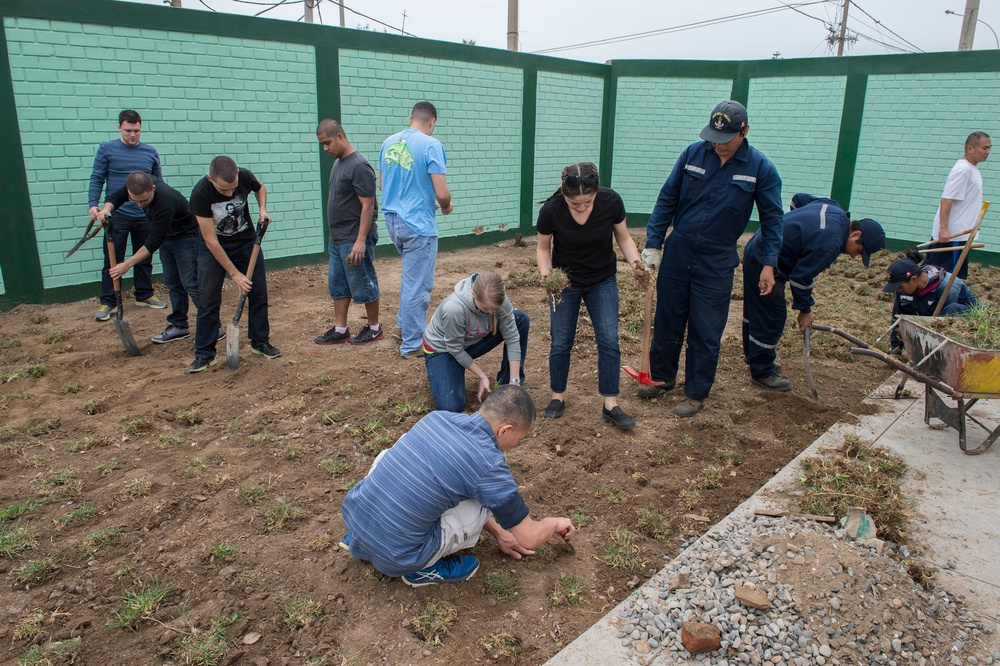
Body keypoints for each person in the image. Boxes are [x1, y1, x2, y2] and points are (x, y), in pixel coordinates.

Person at [340, 385, 574, 586]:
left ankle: (362, 535)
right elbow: (529, 537)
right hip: (398, 556)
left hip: (355, 517)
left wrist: (498, 532)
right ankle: (421, 568)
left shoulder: (437, 418)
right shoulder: (489, 464)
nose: (517, 444)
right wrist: (554, 523)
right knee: (488, 495)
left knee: (393, 457)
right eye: (520, 439)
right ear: (505, 430)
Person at [639, 100, 783, 417]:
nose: (718, 145)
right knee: (668, 318)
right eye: (714, 137)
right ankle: (662, 377)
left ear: (744, 131)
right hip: (678, 251)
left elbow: (773, 219)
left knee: (706, 330)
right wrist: (653, 243)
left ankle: (695, 393)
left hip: (716, 260)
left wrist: (769, 264)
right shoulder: (693, 153)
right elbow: (667, 198)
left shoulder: (760, 168)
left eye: (727, 138)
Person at [536, 162, 643, 431]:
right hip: (566, 284)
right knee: (561, 341)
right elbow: (543, 249)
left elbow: (624, 238)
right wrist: (549, 278)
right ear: (564, 193)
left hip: (602, 280)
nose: (582, 207)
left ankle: (610, 403)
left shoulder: (611, 201)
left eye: (588, 201)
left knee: (608, 339)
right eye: (575, 204)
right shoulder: (551, 210)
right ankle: (557, 397)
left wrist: (636, 263)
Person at [742, 193, 886, 391]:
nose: (854, 256)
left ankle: (754, 355)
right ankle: (762, 372)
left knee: (755, 308)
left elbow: (797, 199)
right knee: (772, 316)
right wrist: (805, 310)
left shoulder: (833, 208)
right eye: (859, 251)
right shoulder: (831, 243)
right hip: (766, 261)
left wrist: (792, 233)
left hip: (759, 244)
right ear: (856, 235)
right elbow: (800, 278)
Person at [188, 156, 280, 373]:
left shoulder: (244, 175)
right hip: (213, 249)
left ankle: (260, 342)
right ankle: (204, 353)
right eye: (224, 190)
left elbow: (260, 188)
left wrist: (262, 209)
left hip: (246, 243)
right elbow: (211, 240)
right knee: (208, 299)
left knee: (258, 293)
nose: (230, 194)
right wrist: (235, 274)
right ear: (210, 179)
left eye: (233, 189)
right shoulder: (200, 193)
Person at [379, 101, 453, 358]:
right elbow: (442, 193)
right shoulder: (431, 144)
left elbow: (383, 184)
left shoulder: (388, 143)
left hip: (393, 220)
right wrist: (446, 205)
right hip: (418, 224)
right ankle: (412, 344)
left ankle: (401, 326)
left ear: (411, 118)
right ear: (432, 122)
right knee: (418, 285)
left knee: (410, 279)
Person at [100, 173, 203, 345]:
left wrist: (126, 265)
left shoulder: (165, 201)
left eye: (144, 201)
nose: (140, 205)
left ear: (153, 189)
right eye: (135, 201)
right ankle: (179, 326)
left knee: (191, 283)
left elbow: (152, 242)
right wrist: (106, 210)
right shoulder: (135, 187)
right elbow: (115, 197)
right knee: (172, 283)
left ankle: (213, 325)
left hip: (186, 237)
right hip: (168, 238)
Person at [87, 109, 166, 320]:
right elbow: (97, 178)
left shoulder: (150, 152)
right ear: (119, 127)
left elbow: (159, 183)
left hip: (144, 214)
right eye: (129, 130)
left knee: (144, 256)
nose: (133, 135)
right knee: (113, 259)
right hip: (116, 215)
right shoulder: (107, 149)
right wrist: (93, 205)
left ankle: (144, 294)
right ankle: (109, 301)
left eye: (137, 131)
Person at [313, 119, 383, 346]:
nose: (326, 149)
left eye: (328, 143)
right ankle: (341, 329)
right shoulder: (339, 163)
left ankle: (374, 328)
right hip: (338, 239)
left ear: (340, 136)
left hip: (354, 239)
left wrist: (360, 241)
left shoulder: (359, 165)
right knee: (338, 285)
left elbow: (368, 205)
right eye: (322, 145)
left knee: (364, 282)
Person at [422, 271, 529, 412]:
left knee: (520, 319)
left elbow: (512, 336)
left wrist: (514, 381)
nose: (491, 312)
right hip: (444, 350)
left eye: (494, 308)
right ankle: (447, 369)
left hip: (472, 340)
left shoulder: (498, 300)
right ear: (473, 294)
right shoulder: (454, 309)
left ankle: (508, 384)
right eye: (485, 308)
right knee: (451, 407)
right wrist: (482, 376)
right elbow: (455, 349)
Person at [883, 250, 980, 353]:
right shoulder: (904, 290)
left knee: (952, 309)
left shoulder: (946, 287)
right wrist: (895, 349)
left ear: (914, 280)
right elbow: (897, 319)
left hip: (966, 324)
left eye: (900, 287)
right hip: (930, 317)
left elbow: (946, 326)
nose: (898, 290)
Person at [926, 132, 991, 280]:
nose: (987, 152)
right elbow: (946, 199)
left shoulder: (972, 168)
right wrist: (943, 228)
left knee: (953, 279)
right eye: (984, 148)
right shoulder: (963, 170)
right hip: (950, 236)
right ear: (970, 148)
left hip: (961, 234)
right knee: (941, 279)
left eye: (989, 148)